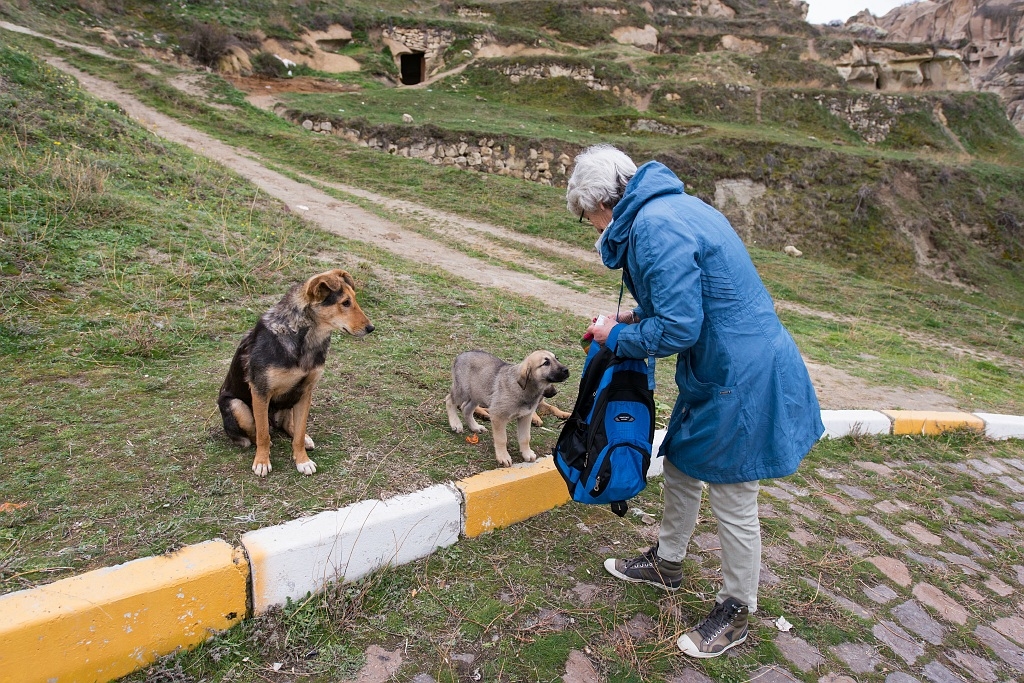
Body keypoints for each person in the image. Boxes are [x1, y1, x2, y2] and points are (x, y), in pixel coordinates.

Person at [566, 144, 824, 659]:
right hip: (720, 366)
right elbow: (681, 302)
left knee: (733, 493)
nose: (591, 228)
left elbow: (681, 326)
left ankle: (736, 610)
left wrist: (616, 338)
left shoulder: (654, 226)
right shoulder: (673, 206)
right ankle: (667, 562)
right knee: (681, 461)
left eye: (586, 217)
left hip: (741, 374)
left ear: (602, 204)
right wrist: (626, 321)